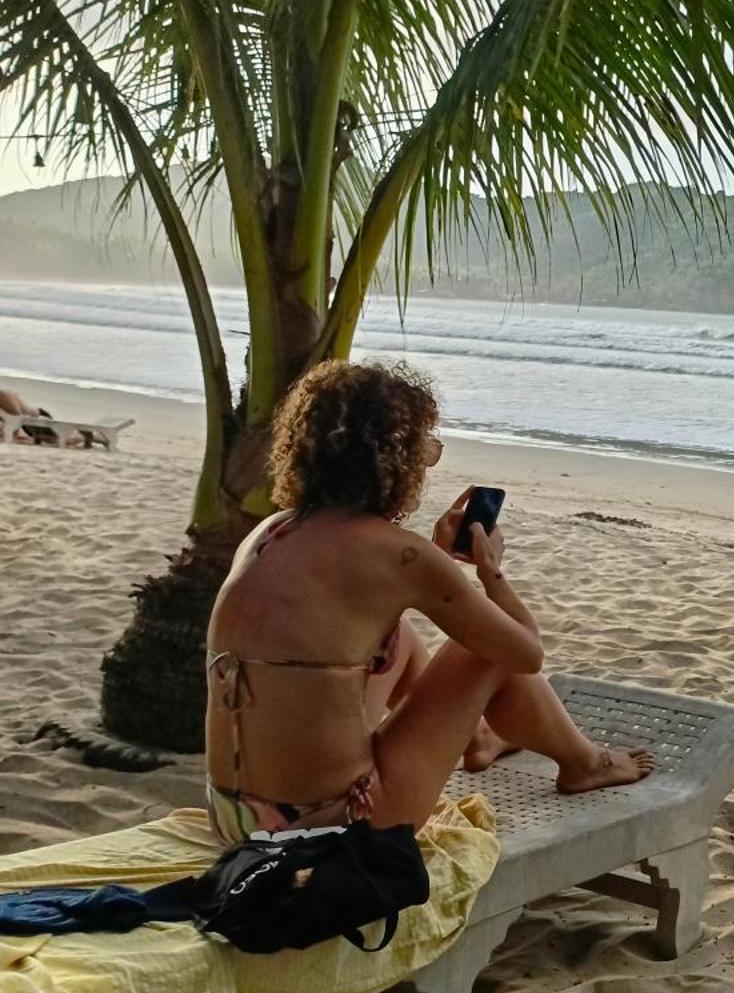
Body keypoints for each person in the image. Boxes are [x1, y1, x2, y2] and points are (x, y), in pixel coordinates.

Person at [204, 360, 654, 842]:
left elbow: (361, 614)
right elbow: (525, 653)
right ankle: (585, 763)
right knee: (483, 652)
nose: (425, 463)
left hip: (235, 817)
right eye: (425, 449)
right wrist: (491, 573)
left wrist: (436, 560)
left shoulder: (272, 531)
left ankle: (479, 738)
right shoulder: (399, 555)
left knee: (395, 637)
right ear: (393, 459)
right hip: (335, 823)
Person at [0, 373, 60, 444]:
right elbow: (3, 417)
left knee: (55, 440)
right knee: (45, 438)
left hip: (39, 418)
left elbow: (16, 414)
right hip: (29, 422)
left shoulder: (1, 395)